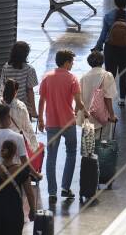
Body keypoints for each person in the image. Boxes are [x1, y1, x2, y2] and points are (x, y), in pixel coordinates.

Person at [37, 50, 89, 202]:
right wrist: (84, 111)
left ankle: (52, 192)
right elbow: (79, 103)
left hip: (52, 123)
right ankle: (65, 188)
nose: (72, 65)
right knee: (71, 153)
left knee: (51, 157)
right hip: (68, 123)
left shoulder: (47, 77)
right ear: (66, 62)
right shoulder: (72, 78)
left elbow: (42, 101)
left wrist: (41, 119)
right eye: (72, 62)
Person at [78, 51, 118, 135]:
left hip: (87, 117)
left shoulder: (83, 77)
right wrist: (112, 115)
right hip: (102, 118)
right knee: (103, 144)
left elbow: (79, 98)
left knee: (88, 146)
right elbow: (108, 98)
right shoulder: (107, 75)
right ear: (102, 61)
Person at [0, 41, 39, 118]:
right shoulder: (29, 69)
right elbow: (30, 91)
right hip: (23, 108)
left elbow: (3, 87)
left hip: (7, 107)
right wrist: (33, 111)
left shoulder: (6, 67)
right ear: (26, 55)